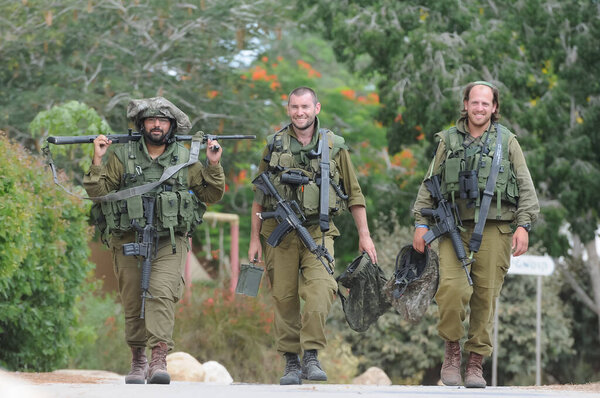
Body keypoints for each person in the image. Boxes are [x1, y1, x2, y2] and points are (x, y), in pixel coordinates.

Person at [83, 97, 225, 384]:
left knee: (161, 292)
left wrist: (213, 164)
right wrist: (97, 159)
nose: (156, 125)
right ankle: (138, 360)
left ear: (171, 126)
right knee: (133, 297)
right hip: (128, 238)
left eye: (162, 120)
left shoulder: (186, 158)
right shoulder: (123, 156)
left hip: (169, 240)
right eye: (151, 120)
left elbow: (211, 195)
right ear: (142, 125)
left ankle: (159, 357)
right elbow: (98, 193)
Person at [412, 81, 540, 388]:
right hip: (452, 226)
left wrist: (524, 226)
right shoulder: (449, 140)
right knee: (452, 291)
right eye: (475, 102)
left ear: (494, 107)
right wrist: (420, 223)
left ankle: (475, 362)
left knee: (485, 297)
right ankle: (452, 351)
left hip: (496, 228)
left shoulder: (506, 141)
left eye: (486, 103)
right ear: (465, 105)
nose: (480, 108)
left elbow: (526, 188)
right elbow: (429, 183)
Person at [248, 87, 377, 385]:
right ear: (288, 109)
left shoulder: (334, 146)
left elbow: (355, 194)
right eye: (294, 107)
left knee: (322, 290)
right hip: (277, 233)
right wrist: (254, 240)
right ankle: (291, 361)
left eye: (305, 106)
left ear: (316, 108)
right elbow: (258, 196)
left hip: (317, 232)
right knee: (284, 297)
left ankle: (311, 355)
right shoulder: (274, 144)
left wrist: (365, 235)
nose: (299, 112)